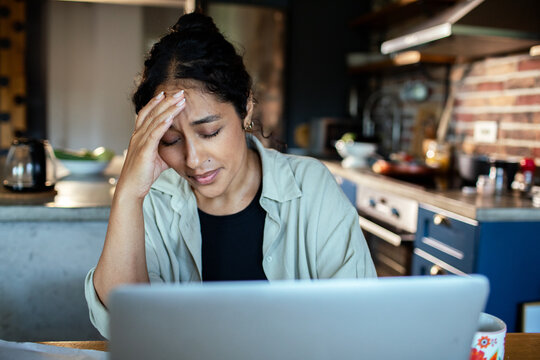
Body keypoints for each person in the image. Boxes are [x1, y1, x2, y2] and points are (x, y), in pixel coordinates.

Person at [84, 12, 376, 338]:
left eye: (209, 131)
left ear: (246, 108)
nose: (193, 160)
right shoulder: (155, 198)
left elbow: (359, 319)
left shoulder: (311, 187)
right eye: (170, 140)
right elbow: (128, 323)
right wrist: (128, 193)